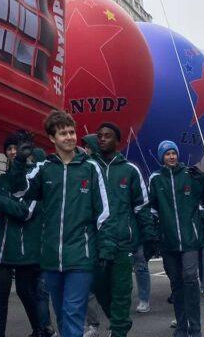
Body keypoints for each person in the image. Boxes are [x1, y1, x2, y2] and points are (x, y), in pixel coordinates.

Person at [16, 110, 108, 337]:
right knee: (60, 312)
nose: (69, 137)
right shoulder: (44, 168)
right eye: (63, 133)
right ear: (52, 138)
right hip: (51, 257)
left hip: (81, 255)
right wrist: (19, 163)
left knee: (72, 311)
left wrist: (103, 248)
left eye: (72, 132)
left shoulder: (90, 167)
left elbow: (104, 211)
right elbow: (20, 192)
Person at [85, 123, 152, 337]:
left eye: (107, 136)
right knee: (98, 288)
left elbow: (142, 206)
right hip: (96, 243)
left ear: (118, 141)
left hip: (124, 244)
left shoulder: (130, 170)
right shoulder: (88, 167)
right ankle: (118, 323)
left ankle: (119, 330)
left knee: (122, 293)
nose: (102, 139)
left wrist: (149, 238)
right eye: (100, 135)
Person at [148, 141, 204, 337]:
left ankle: (195, 328)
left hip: (190, 240)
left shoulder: (190, 176)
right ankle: (181, 326)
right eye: (167, 154)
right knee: (176, 284)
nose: (171, 156)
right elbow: (151, 208)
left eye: (174, 153)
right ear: (162, 157)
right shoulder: (156, 180)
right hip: (168, 242)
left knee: (189, 278)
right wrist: (154, 233)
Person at [0, 130, 43, 337]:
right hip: (4, 246)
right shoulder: (2, 180)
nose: (12, 152)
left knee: (26, 292)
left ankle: (39, 328)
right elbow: (1, 214)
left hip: (25, 245)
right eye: (9, 148)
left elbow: (25, 212)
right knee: (0, 293)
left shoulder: (36, 175)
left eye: (16, 148)